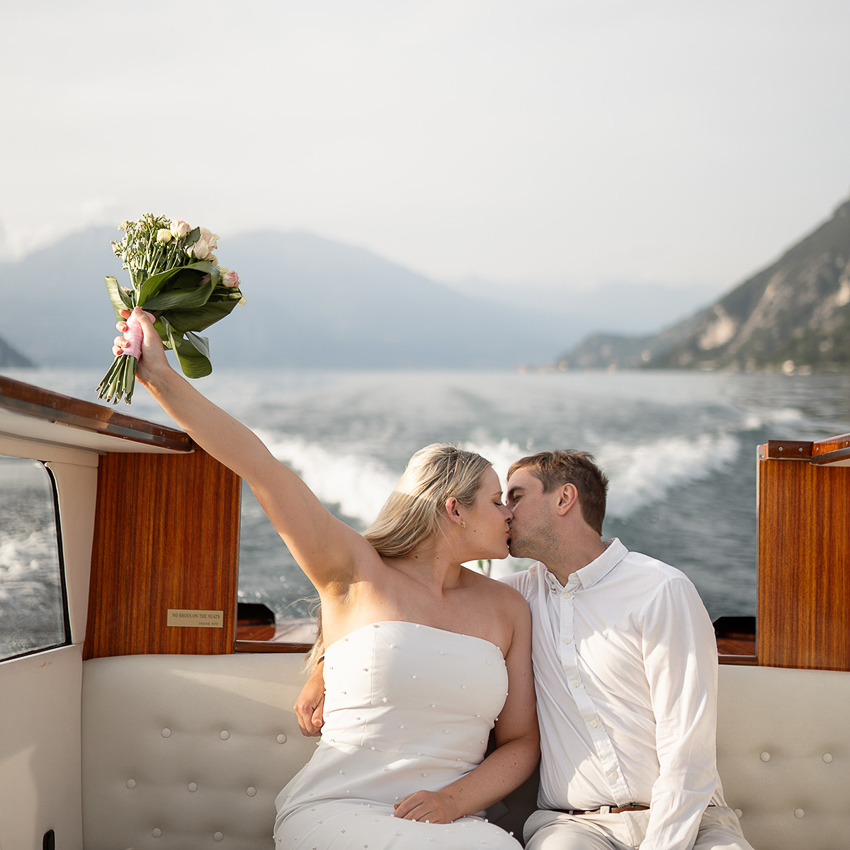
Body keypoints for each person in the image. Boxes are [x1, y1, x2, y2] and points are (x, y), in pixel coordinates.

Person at [112, 308, 539, 850]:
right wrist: (159, 376)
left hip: (453, 822)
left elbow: (522, 742)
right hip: (340, 809)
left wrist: (454, 802)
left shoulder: (509, 609)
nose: (509, 516)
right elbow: (262, 468)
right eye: (498, 501)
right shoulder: (355, 570)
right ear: (454, 510)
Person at [298, 449, 754, 850]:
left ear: (564, 499)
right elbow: (392, 609)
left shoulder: (660, 590)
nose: (504, 514)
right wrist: (325, 662)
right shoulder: (512, 600)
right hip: (575, 829)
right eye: (499, 502)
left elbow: (686, 750)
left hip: (691, 822)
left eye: (514, 497)